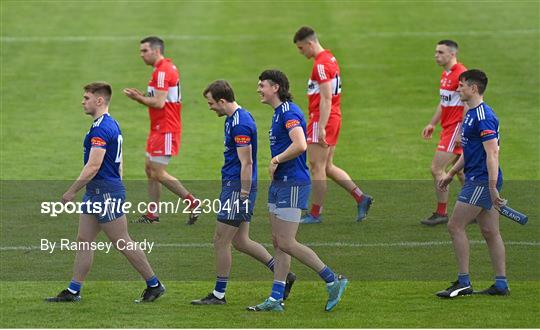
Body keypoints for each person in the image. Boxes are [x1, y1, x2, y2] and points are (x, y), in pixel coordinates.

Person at [46, 82, 165, 303]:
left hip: (105, 193)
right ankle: (73, 290)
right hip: (98, 191)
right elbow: (118, 163)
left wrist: (71, 191)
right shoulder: (108, 124)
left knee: (121, 241)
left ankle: (154, 284)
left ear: (99, 100)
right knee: (84, 239)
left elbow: (94, 165)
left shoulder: (101, 128)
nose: (83, 101)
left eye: (86, 98)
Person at [247, 70, 347, 312]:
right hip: (281, 183)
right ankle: (275, 298)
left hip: (293, 183)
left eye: (262, 85)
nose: (259, 89)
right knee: (278, 242)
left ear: (276, 87)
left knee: (286, 241)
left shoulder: (289, 112)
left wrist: (276, 160)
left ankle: (333, 280)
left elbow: (301, 144)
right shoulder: (278, 113)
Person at [190, 80, 295, 305]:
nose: (210, 108)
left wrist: (244, 193)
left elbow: (246, 163)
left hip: (237, 188)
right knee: (241, 241)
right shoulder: (233, 119)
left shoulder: (240, 124)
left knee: (220, 240)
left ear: (222, 101)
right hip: (235, 186)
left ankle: (219, 294)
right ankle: (282, 274)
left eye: (211, 104)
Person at [436, 70, 509, 298]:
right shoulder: (470, 113)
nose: (458, 89)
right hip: (478, 178)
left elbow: (492, 153)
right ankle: (501, 284)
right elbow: (469, 150)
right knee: (490, 232)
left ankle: (463, 283)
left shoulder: (484, 116)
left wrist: (491, 186)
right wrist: (452, 173)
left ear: (473, 88)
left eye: (462, 86)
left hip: (481, 181)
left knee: (455, 226)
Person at [293, 26, 372, 224]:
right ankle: (360, 197)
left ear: (310, 44)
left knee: (316, 167)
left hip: (323, 118)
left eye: (301, 48)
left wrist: (320, 126)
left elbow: (326, 98)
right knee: (327, 166)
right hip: (333, 117)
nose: (301, 53)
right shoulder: (330, 58)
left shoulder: (320, 64)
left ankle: (315, 214)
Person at [123, 36, 199, 224]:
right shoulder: (160, 69)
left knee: (158, 172)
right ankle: (153, 213)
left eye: (144, 51)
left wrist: (137, 98)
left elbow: (158, 102)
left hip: (166, 128)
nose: (141, 55)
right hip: (158, 127)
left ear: (156, 51)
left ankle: (192, 201)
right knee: (149, 169)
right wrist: (142, 96)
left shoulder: (163, 71)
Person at [421, 40, 468, 226]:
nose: (436, 55)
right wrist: (432, 123)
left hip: (456, 128)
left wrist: (461, 132)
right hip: (448, 127)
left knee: (437, 169)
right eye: (436, 52)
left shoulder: (461, 74)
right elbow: (444, 102)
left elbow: (467, 104)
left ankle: (441, 213)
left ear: (452, 54)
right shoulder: (446, 74)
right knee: (462, 172)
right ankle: (479, 209)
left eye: (440, 52)